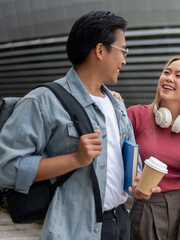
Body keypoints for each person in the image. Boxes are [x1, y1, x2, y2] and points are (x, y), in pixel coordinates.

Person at [0, 11, 142, 240]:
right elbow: (5, 167)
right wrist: (75, 159)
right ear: (100, 50)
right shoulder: (42, 102)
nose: (125, 59)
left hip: (120, 223)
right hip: (74, 230)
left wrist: (138, 180)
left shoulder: (117, 104)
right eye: (122, 50)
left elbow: (132, 159)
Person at [126, 55, 180, 240]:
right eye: (166, 72)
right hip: (146, 206)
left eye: (178, 75)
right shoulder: (134, 116)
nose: (168, 78)